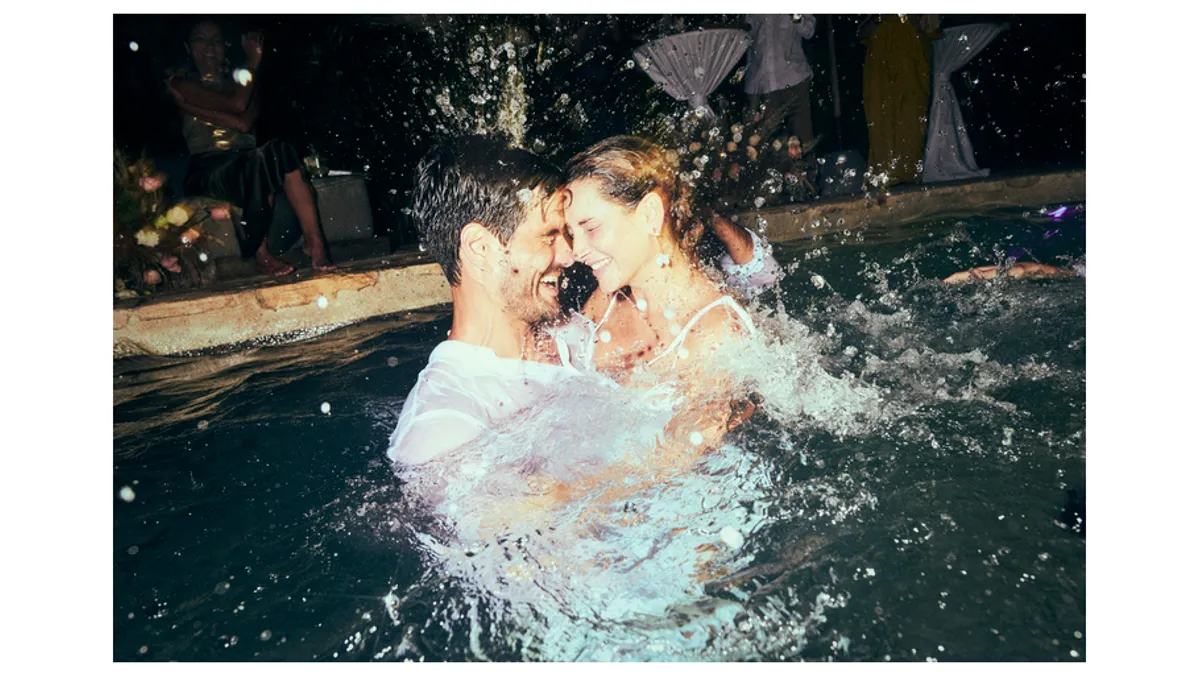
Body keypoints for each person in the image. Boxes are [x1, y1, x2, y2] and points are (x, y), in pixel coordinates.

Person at [387, 136, 577, 466]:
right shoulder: (444, 425)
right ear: (480, 248)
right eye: (549, 236)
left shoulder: (574, 338)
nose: (569, 255)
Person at [561, 136, 763, 386]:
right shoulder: (603, 304)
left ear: (650, 214)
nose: (576, 252)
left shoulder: (717, 334)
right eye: (571, 234)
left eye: (591, 229)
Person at [168, 19, 334, 276]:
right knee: (258, 161)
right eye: (201, 39)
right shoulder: (182, 84)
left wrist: (195, 108)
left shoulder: (242, 84)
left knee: (280, 149)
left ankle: (315, 242)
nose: (210, 46)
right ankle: (261, 252)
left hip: (246, 161)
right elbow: (238, 108)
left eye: (216, 40)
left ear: (225, 46)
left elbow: (244, 122)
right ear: (188, 47)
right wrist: (254, 61)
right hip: (209, 169)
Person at [859, 14, 940, 186]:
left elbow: (932, 24)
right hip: (881, 47)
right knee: (879, 110)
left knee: (912, 110)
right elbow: (862, 29)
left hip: (912, 47)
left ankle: (908, 172)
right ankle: (882, 173)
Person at [743, 14, 820, 152]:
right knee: (763, 150)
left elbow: (809, 30)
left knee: (802, 146)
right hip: (760, 84)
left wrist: (795, 15)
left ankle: (805, 172)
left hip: (794, 79)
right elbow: (744, 37)